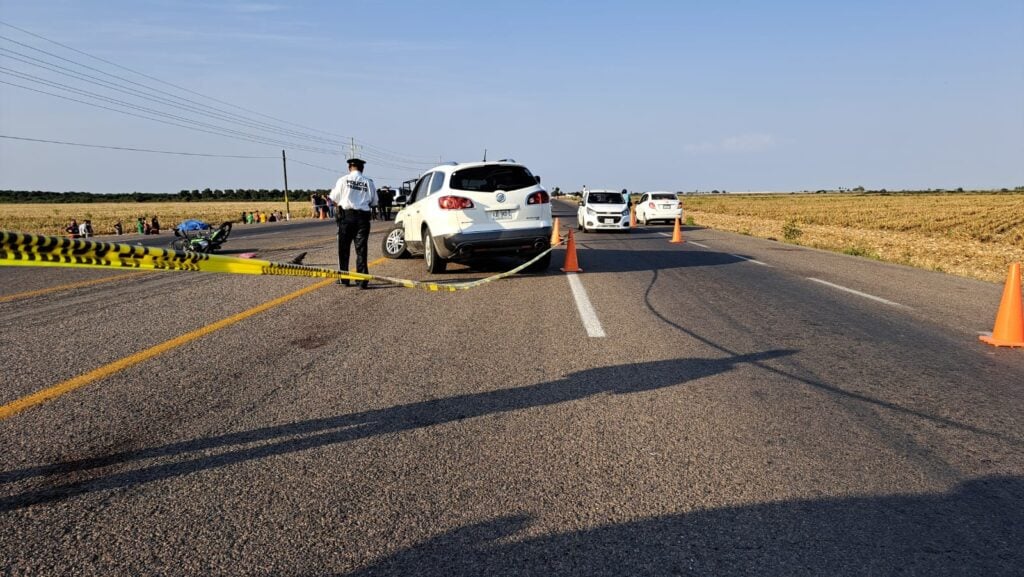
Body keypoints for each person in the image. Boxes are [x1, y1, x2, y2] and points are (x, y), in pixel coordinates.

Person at [329, 158, 377, 288]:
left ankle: (344, 279)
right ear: (362, 168)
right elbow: (374, 202)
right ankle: (362, 281)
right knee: (361, 250)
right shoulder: (369, 182)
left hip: (346, 218)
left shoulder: (343, 180)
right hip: (363, 219)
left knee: (343, 250)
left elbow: (333, 198)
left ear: (349, 168)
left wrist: (340, 204)